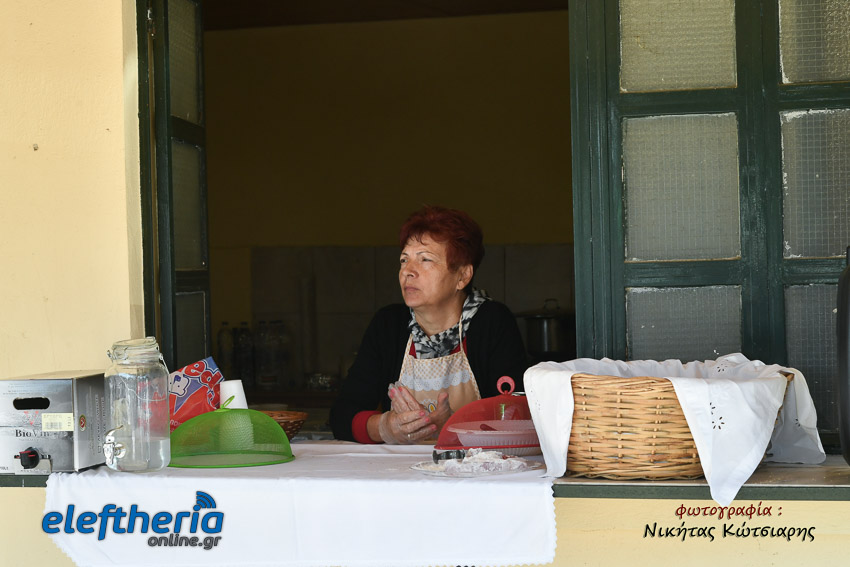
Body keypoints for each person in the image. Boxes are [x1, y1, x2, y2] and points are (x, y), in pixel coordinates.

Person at [330, 205, 528, 444]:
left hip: (475, 465)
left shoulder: (491, 322)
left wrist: (456, 425)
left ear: (462, 276)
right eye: (404, 260)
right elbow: (342, 416)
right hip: (402, 467)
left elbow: (519, 415)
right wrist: (385, 427)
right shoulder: (388, 325)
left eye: (425, 259)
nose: (408, 271)